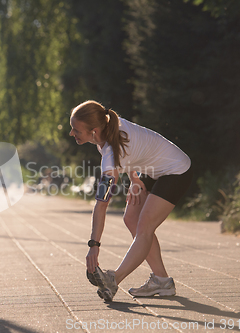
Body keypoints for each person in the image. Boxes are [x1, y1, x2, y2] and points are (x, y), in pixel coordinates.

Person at [69, 100, 192, 302]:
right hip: (152, 169)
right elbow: (134, 150)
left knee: (144, 226)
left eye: (76, 129)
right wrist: (134, 178)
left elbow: (101, 204)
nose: (71, 133)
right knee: (131, 219)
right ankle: (162, 281)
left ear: (94, 131)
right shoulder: (108, 127)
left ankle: (113, 279)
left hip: (176, 170)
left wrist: (94, 245)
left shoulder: (109, 152)